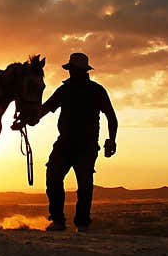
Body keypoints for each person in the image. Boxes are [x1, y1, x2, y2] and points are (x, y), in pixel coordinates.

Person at [35, 52, 117, 232]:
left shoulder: (95, 91)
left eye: (72, 69)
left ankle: (80, 222)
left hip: (85, 145)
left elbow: (112, 117)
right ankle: (60, 220)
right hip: (66, 143)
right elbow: (45, 109)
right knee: (54, 177)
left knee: (84, 184)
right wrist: (27, 119)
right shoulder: (67, 89)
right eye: (70, 69)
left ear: (80, 70)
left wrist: (112, 140)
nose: (70, 72)